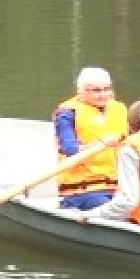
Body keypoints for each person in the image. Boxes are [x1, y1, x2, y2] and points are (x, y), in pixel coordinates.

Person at [53, 68, 127, 210]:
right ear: (81, 91)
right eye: (97, 90)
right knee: (112, 209)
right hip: (82, 191)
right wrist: (100, 143)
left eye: (107, 89)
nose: (104, 95)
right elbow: (70, 149)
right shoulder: (67, 114)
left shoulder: (120, 109)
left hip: (118, 187)